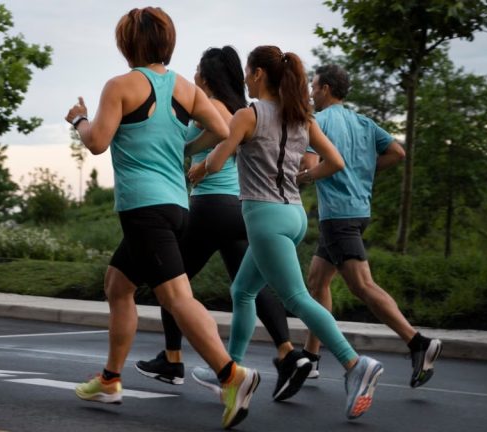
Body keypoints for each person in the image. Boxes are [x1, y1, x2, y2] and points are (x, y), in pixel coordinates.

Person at [64, 8, 260, 429]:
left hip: (143, 208)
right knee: (119, 285)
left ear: (127, 43)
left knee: (175, 297)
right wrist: (186, 149)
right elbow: (225, 129)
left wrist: (78, 119)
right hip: (176, 205)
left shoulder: (120, 86)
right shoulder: (185, 89)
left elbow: (97, 142)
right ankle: (111, 379)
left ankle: (232, 375)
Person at [189, 45, 384, 420]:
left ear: (259, 74)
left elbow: (217, 157)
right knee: (242, 290)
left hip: (264, 216)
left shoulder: (249, 115)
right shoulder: (301, 117)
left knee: (296, 298)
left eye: (247, 71)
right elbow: (336, 162)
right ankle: (231, 370)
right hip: (294, 215)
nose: (244, 77)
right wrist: (303, 177)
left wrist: (199, 170)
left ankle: (355, 364)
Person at [133, 46, 311, 402]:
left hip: (211, 207)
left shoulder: (213, 108)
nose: (195, 74)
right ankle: (288, 352)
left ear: (207, 76)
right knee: (249, 287)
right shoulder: (240, 108)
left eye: (199, 70)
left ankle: (172, 360)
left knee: (171, 281)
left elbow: (199, 141)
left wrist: (185, 150)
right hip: (239, 210)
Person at [302, 64, 442, 387]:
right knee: (317, 280)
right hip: (358, 211)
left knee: (362, 285)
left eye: (313, 87)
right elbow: (397, 151)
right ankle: (310, 357)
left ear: (325, 90)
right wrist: (365, 170)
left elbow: (309, 166)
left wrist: (299, 176)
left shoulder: (318, 122)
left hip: (338, 215)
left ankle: (417, 342)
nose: (310, 93)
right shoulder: (363, 122)